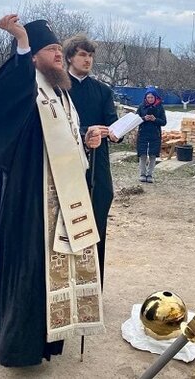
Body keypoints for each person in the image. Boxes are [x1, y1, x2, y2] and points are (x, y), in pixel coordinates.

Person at [0, 14, 107, 367]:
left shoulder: (60, 91)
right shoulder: (27, 86)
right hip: (29, 197)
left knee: (49, 271)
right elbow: (3, 100)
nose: (57, 54)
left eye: (57, 48)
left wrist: (86, 140)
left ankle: (43, 342)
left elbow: (62, 142)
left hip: (61, 199)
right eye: (49, 49)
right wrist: (21, 44)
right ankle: (10, 344)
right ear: (33, 56)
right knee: (27, 268)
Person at [63, 34, 118, 287]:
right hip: (65, 162)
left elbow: (111, 124)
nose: (88, 60)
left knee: (96, 218)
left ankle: (93, 284)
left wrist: (112, 132)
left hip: (98, 162)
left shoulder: (103, 91)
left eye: (91, 55)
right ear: (70, 56)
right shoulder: (58, 88)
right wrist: (85, 132)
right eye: (83, 54)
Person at [136, 87, 166, 183]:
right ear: (145, 98)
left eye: (151, 97)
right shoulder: (141, 106)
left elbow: (164, 122)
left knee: (152, 155)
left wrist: (155, 119)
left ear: (155, 98)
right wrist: (144, 118)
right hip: (143, 133)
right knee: (143, 154)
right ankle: (142, 173)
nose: (150, 99)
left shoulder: (160, 107)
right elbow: (135, 120)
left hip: (155, 134)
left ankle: (150, 174)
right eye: (148, 97)